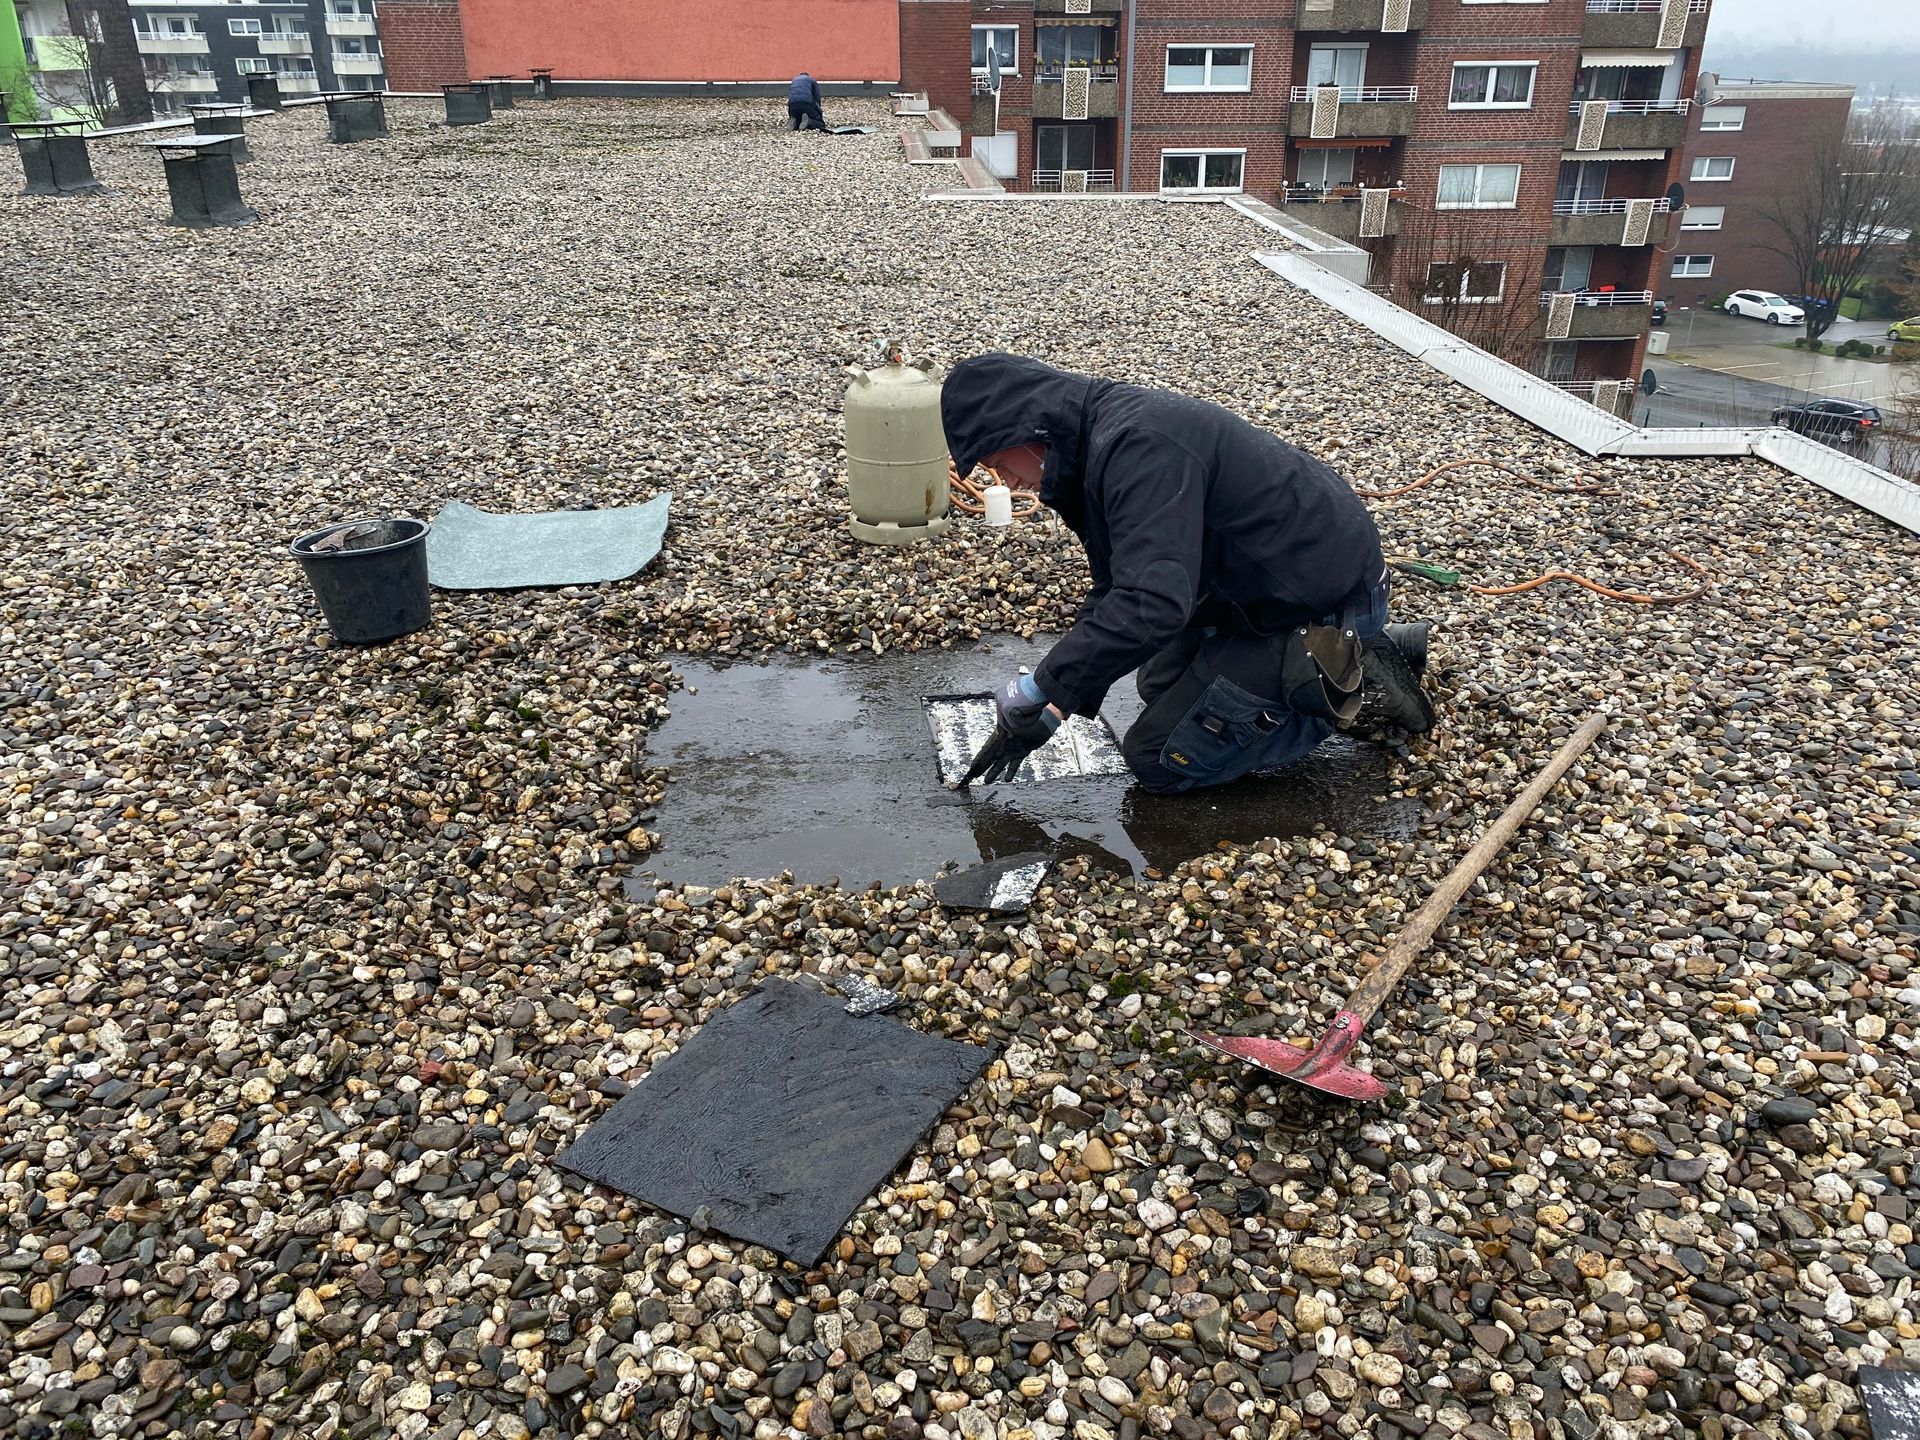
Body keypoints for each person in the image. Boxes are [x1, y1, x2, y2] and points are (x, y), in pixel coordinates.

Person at [940, 353, 1433, 794]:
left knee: (1161, 758)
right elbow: (1119, 587)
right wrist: (1057, 702)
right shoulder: (1090, 444)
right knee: (1158, 686)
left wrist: (1039, 686)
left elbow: (1151, 605)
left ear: (1027, 429)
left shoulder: (1136, 448)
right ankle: (1341, 654)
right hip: (1266, 586)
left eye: (997, 462)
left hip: (1322, 601)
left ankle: (1344, 678)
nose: (1002, 481)